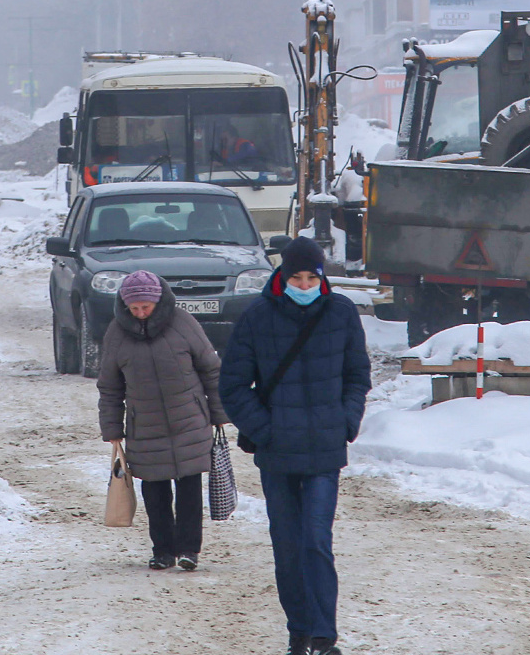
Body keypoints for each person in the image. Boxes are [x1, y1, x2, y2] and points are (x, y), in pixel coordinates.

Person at [220, 236, 371, 655]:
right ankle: (299, 631)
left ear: (321, 277)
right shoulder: (256, 317)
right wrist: (266, 430)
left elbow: (358, 375)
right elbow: (232, 386)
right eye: (296, 278)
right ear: (282, 277)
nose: (303, 286)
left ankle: (325, 637)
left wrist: (346, 420)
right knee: (287, 547)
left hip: (324, 449)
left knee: (316, 541)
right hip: (278, 453)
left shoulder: (341, 313)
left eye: (311, 278)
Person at [98, 270, 229, 571]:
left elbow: (211, 369)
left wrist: (220, 413)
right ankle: (162, 550)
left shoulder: (184, 324)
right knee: (154, 491)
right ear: (125, 306)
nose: (141, 313)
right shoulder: (116, 334)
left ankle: (188, 550)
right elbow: (110, 386)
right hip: (145, 425)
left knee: (189, 487)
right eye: (135, 308)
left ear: (159, 301)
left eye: (146, 307)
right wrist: (112, 429)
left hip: (189, 419)